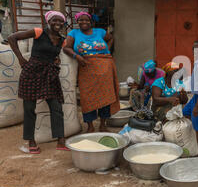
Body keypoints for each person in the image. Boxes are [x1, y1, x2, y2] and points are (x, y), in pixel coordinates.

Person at [8, 11, 67, 153]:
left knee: (56, 107)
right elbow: (11, 38)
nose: (58, 23)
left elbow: (54, 54)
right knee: (29, 108)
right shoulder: (39, 32)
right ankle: (31, 141)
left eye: (60, 21)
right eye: (54, 20)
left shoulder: (62, 40)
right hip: (32, 73)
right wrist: (21, 59)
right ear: (48, 21)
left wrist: (56, 59)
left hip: (50, 74)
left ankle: (60, 140)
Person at [63, 11, 120, 133]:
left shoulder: (100, 32)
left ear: (91, 22)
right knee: (87, 96)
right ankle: (90, 126)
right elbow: (66, 47)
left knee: (106, 95)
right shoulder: (74, 33)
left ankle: (103, 124)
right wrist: (76, 56)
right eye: (81, 20)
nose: (84, 22)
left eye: (87, 20)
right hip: (86, 67)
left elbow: (111, 39)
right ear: (77, 22)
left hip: (105, 67)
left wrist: (107, 52)